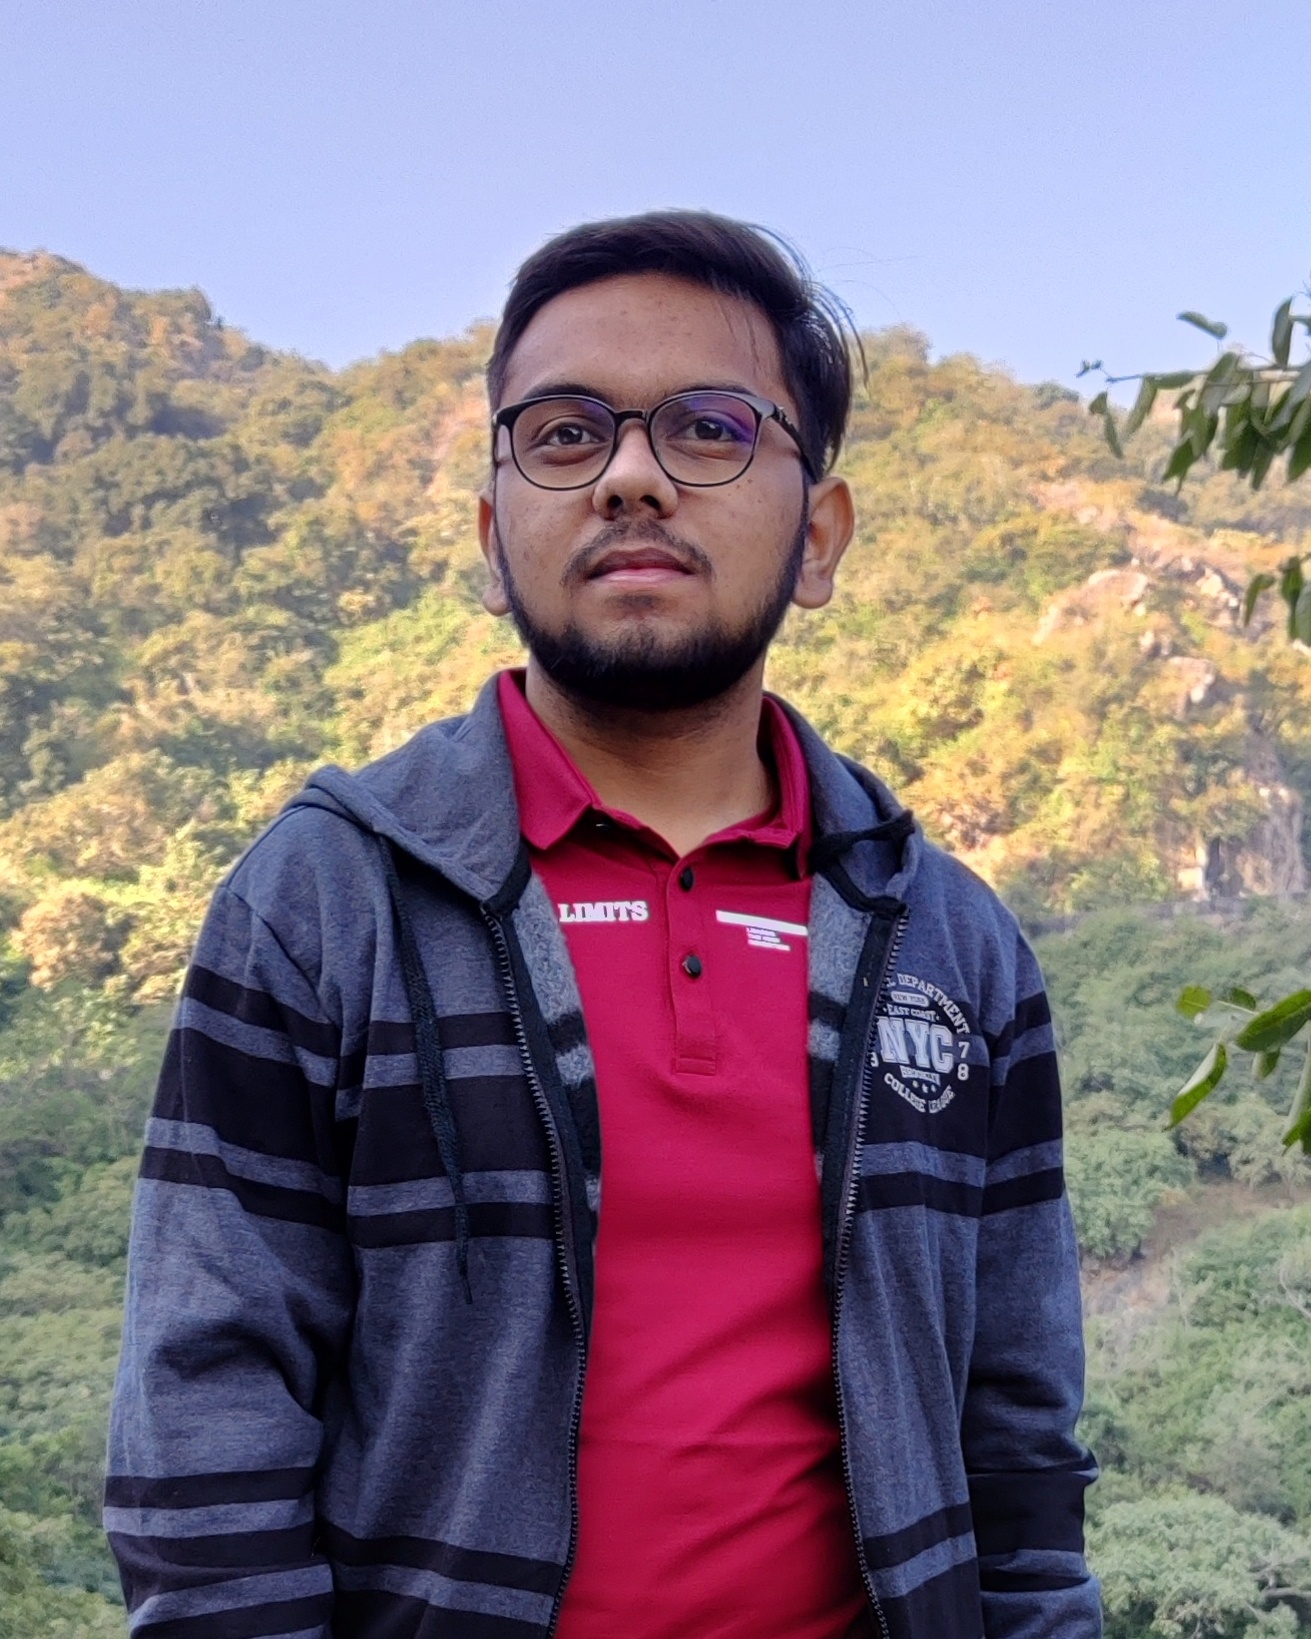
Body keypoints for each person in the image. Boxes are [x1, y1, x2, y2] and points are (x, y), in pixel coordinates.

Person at [106, 210, 1100, 1639]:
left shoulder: (947, 939)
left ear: (818, 536)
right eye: (566, 436)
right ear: (493, 538)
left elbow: (1020, 1438)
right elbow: (204, 1426)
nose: (632, 476)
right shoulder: (332, 898)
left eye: (709, 428)